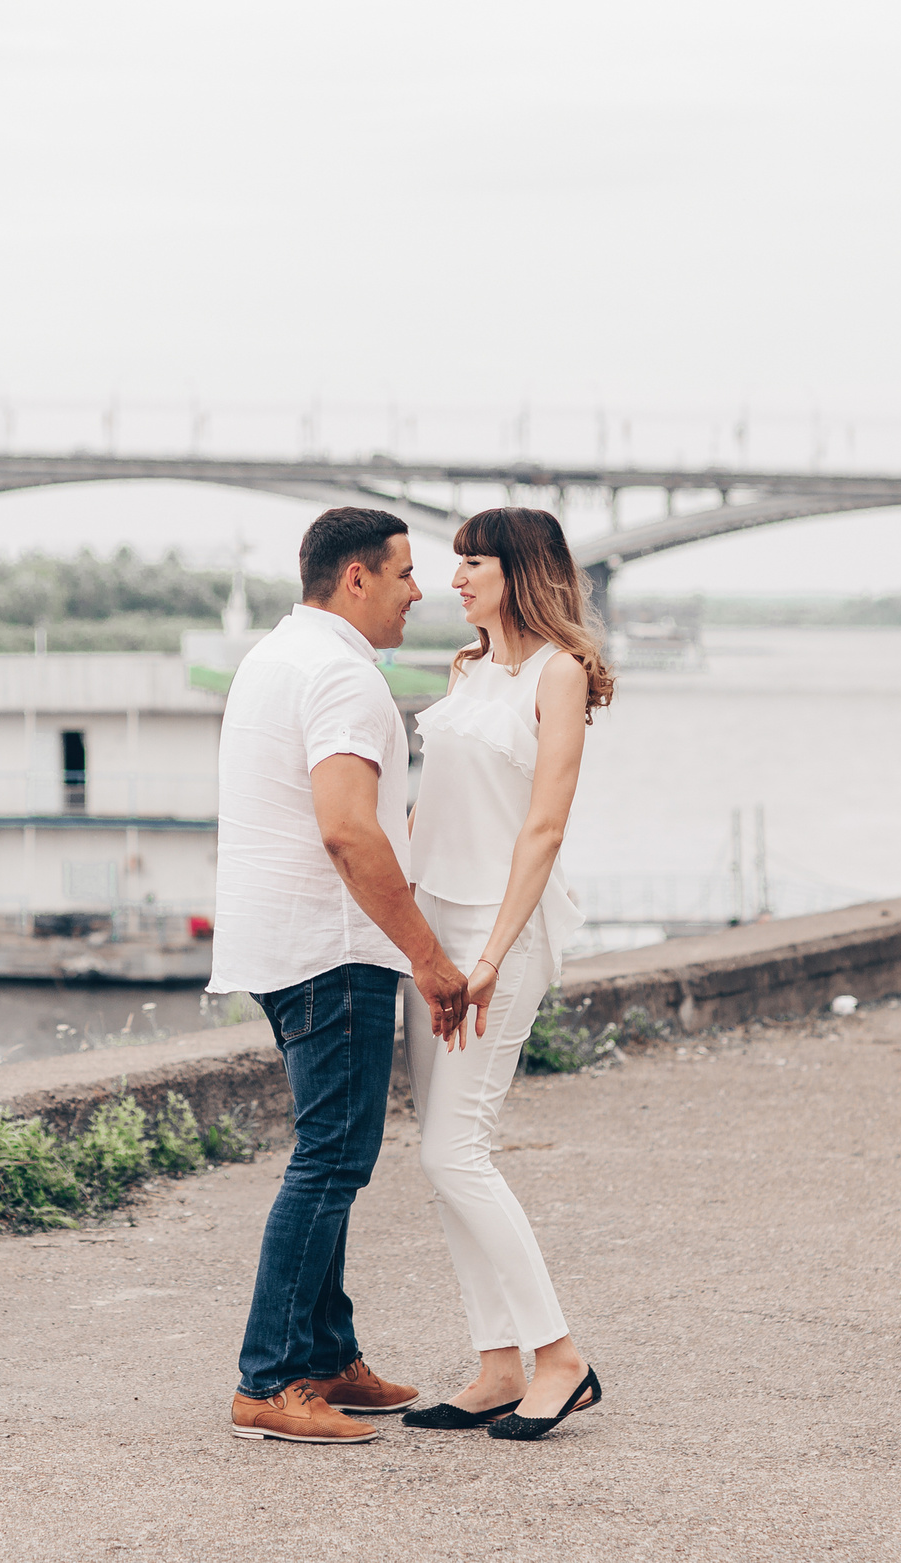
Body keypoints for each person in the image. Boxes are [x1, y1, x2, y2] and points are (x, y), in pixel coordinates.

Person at [212, 506, 472, 1444]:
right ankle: (270, 1378)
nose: (420, 590)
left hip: (281, 942)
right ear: (356, 578)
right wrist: (428, 955)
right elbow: (349, 827)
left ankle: (324, 1352)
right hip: (335, 945)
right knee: (331, 1159)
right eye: (405, 573)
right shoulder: (343, 676)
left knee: (333, 1157)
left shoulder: (276, 655)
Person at [399, 506, 616, 1442]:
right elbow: (427, 809)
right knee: (436, 1156)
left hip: (503, 930)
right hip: (436, 927)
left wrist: (487, 955)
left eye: (471, 561)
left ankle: (558, 1355)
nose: (455, 578)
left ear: (519, 570)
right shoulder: (466, 667)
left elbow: (544, 824)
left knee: (460, 1148)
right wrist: (415, 941)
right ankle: (495, 1363)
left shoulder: (555, 673)